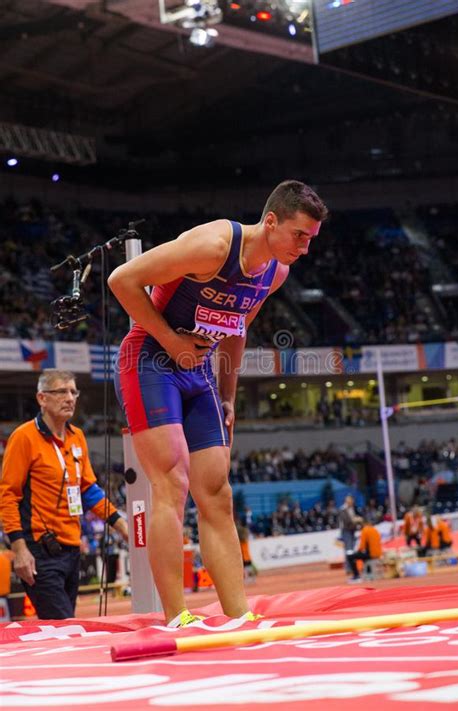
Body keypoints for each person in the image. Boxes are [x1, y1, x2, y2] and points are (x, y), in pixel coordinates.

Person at [109, 180, 328, 626]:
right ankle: (177, 616)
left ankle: (238, 615)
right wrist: (171, 341)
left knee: (217, 492)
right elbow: (122, 280)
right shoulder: (213, 245)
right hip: (150, 360)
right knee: (172, 483)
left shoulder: (275, 272)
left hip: (198, 371)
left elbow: (236, 329)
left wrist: (228, 396)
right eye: (299, 235)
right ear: (271, 222)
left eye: (311, 239)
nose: (304, 248)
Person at [0, 369, 128, 619]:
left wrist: (120, 523)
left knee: (61, 626)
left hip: (71, 550)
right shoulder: (24, 437)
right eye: (61, 391)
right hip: (39, 551)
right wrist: (19, 549)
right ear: (42, 398)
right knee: (64, 625)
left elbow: (88, 490)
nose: (70, 398)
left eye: (73, 391)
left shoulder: (77, 437)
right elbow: (8, 495)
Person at [346, 518, 383, 582]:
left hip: (371, 554)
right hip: (378, 553)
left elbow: (362, 546)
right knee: (362, 556)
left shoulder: (365, 530)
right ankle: (368, 573)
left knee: (350, 557)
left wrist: (356, 552)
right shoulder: (374, 529)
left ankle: (356, 575)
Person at [338, 494, 362, 576]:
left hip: (353, 531)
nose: (351, 503)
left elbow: (358, 516)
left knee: (352, 549)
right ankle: (348, 568)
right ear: (347, 501)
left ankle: (352, 567)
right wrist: (355, 520)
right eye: (350, 501)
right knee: (348, 550)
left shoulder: (353, 508)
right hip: (346, 531)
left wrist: (357, 520)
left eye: (352, 501)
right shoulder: (342, 509)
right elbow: (346, 521)